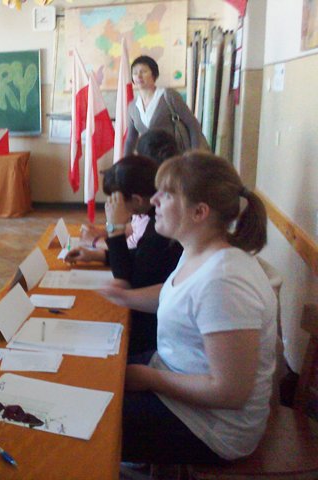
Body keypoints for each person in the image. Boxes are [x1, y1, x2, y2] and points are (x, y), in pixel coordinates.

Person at [101, 151, 277, 464]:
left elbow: (230, 391)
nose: (154, 200)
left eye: (166, 194)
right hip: (175, 378)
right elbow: (177, 295)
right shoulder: (199, 250)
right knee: (92, 372)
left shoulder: (224, 281)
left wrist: (149, 378)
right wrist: (126, 298)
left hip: (210, 428)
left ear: (199, 212)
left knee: (90, 418)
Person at [66, 155, 182, 355]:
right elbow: (141, 257)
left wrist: (115, 227)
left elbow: (126, 279)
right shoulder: (155, 220)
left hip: (151, 333)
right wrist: (98, 255)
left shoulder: (160, 229)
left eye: (116, 201)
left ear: (137, 200)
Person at [123, 55, 207, 156]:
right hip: (148, 159)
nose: (139, 76)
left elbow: (192, 124)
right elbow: (130, 139)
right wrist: (125, 161)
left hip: (174, 157)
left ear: (154, 74)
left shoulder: (169, 96)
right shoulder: (132, 106)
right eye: (135, 73)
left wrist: (194, 153)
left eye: (143, 71)